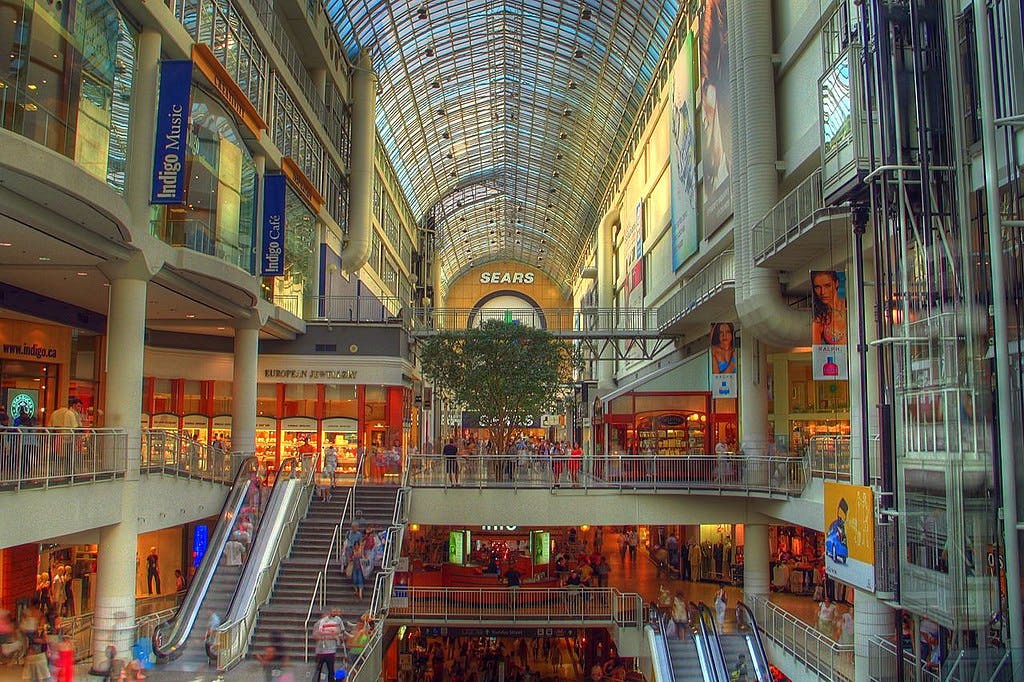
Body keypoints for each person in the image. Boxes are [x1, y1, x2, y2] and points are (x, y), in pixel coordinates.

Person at [811, 271, 848, 345]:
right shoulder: (819, 320)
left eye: (827, 285)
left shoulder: (850, 306)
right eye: (817, 287)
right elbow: (817, 352)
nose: (822, 292)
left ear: (836, 283)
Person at [311, 608, 344, 681]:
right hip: (320, 650)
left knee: (330, 669)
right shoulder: (318, 624)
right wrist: (326, 636)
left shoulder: (334, 624)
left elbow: (338, 634)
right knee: (318, 669)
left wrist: (333, 637)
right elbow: (315, 635)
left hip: (330, 650)